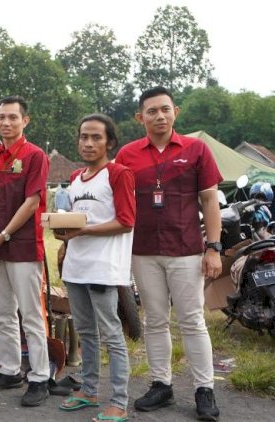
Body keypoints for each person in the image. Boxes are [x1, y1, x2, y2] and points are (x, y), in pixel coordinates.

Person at [115, 86, 222, 421]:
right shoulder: (128, 154)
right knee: (155, 320)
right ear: (140, 117)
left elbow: (209, 200)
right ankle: (161, 384)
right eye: (151, 111)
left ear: (175, 111)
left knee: (192, 320)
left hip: (186, 249)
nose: (159, 116)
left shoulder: (196, 149)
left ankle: (205, 389)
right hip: (143, 251)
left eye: (165, 109)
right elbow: (116, 201)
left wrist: (214, 248)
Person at [54, 114, 134, 422]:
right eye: (83, 137)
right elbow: (76, 219)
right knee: (86, 331)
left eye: (96, 138)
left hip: (103, 267)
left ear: (109, 142)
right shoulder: (75, 178)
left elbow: (126, 222)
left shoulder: (118, 174)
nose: (88, 143)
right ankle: (88, 391)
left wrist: (83, 232)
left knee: (111, 335)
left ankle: (119, 401)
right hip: (76, 266)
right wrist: (64, 237)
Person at [0, 95, 51, 407]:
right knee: (3, 313)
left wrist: (4, 234)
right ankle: (9, 370)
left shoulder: (35, 156)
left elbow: (32, 201)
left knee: (31, 315)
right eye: (1, 117)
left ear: (26, 121)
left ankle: (40, 376)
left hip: (21, 245)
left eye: (12, 117)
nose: (6, 123)